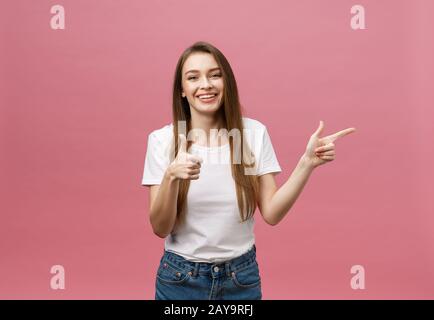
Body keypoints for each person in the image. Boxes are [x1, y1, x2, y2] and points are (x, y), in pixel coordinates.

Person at [141, 41, 356, 300]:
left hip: (240, 279)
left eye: (215, 75)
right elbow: (160, 228)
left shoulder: (253, 134)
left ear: (226, 83)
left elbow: (273, 213)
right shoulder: (162, 141)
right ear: (182, 91)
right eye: (193, 77)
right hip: (180, 279)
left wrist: (307, 163)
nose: (206, 84)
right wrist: (170, 177)